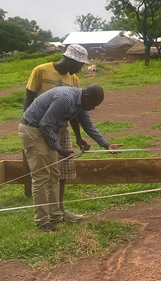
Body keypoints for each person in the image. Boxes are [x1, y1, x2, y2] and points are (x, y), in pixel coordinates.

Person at [19, 84, 120, 231]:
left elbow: (88, 125)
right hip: (32, 130)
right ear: (87, 97)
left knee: (54, 174)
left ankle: (55, 214)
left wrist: (106, 145)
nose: (93, 108)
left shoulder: (81, 102)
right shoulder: (65, 99)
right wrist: (59, 149)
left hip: (46, 131)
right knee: (41, 176)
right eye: (92, 104)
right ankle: (41, 220)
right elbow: (45, 123)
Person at [24, 44, 89, 224]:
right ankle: (43, 217)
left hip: (61, 129)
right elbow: (29, 99)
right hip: (40, 127)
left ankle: (58, 210)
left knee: (59, 172)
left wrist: (78, 136)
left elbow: (75, 111)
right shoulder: (40, 71)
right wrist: (29, 128)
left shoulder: (74, 79)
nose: (80, 69)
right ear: (70, 60)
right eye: (79, 64)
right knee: (42, 174)